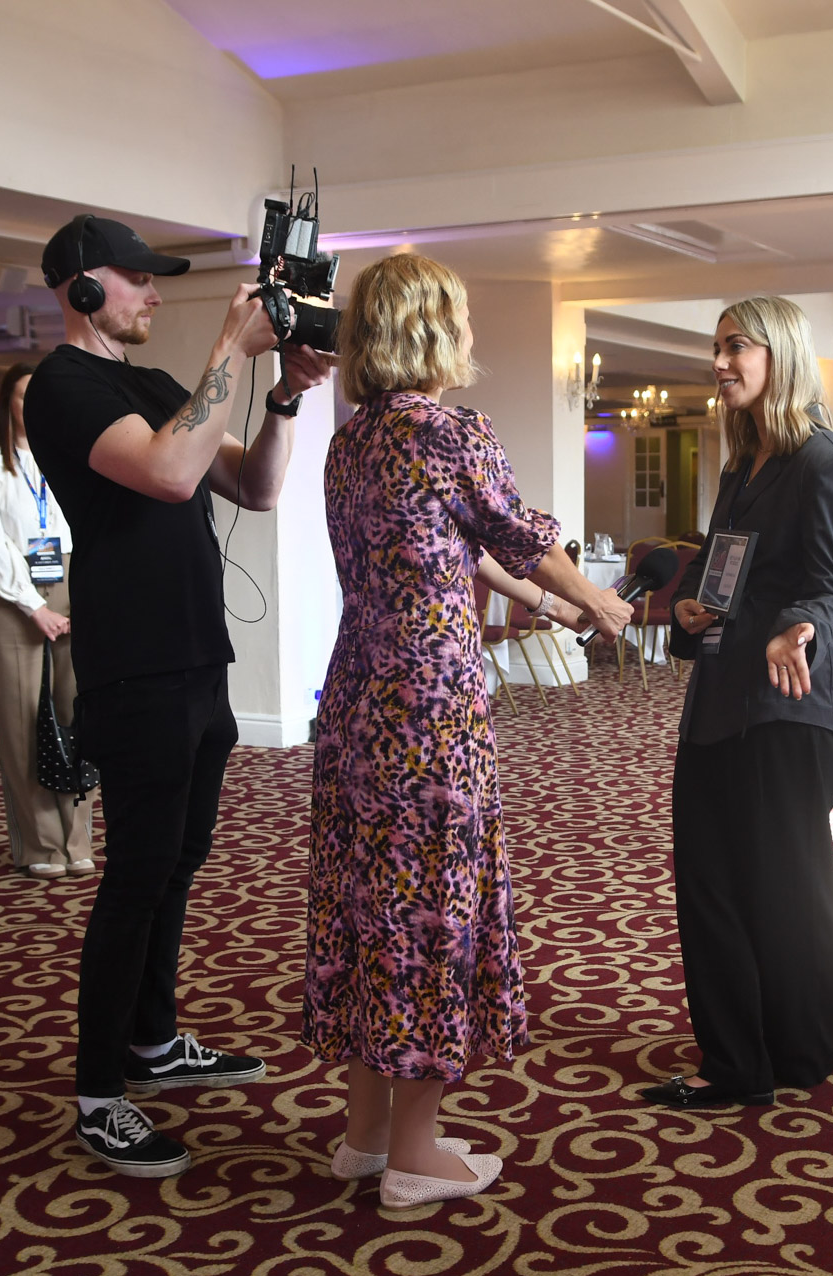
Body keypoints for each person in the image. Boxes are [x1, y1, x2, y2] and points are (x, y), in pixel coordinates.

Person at [305, 253, 632, 1210]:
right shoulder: (453, 433)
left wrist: (544, 601)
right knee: (428, 909)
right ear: (433, 331)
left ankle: (365, 1135)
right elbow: (519, 530)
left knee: (370, 904)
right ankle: (416, 1151)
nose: (473, 334)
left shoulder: (351, 443)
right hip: (430, 708)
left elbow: (458, 543)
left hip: (357, 698)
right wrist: (596, 601)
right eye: (463, 317)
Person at [22, 214, 332, 1178]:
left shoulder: (157, 386)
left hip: (198, 657)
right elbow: (164, 472)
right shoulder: (62, 387)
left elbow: (254, 487)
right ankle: (98, 1094)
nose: (154, 293)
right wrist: (229, 349)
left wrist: (283, 398)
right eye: (137, 278)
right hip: (135, 664)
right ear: (81, 287)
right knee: (135, 876)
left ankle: (152, 1042)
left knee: (177, 865)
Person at [653, 296, 833, 1109]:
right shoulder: (741, 465)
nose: (720, 363)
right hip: (719, 696)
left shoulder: (825, 462)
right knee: (709, 882)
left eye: (736, 346)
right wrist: (688, 610)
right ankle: (735, 1059)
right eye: (716, 347)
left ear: (780, 354)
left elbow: (829, 587)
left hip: (787, 702)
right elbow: (720, 575)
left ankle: (798, 1052)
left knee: (786, 885)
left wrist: (795, 628)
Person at [0, 362, 91, 877]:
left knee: (76, 715)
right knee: (22, 722)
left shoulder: (71, 454)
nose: (35, 404)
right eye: (24, 395)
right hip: (8, 592)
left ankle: (77, 842)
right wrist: (32, 606)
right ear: (7, 404)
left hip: (70, 583)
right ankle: (41, 846)